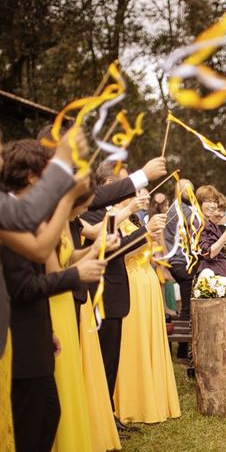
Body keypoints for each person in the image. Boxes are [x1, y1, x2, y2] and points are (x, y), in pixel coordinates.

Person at [0, 139, 109, 452]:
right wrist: (76, 275)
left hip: (35, 335)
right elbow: (24, 286)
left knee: (47, 414)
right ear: (32, 177)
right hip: (16, 342)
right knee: (34, 425)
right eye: (47, 172)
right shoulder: (7, 216)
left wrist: (46, 333)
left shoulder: (21, 214)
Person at [0, 122, 80, 452]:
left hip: (22, 338)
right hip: (9, 343)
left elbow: (39, 250)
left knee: (45, 419)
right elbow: (36, 253)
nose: (0, 160)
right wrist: (66, 183)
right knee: (25, 433)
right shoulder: (1, 209)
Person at [81, 162, 167, 433]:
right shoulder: (94, 213)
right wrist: (144, 230)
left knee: (112, 360)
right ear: (106, 185)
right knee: (104, 359)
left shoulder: (116, 214)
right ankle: (103, 419)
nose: (125, 189)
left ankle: (110, 416)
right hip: (101, 293)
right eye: (121, 182)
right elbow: (109, 249)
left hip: (118, 291)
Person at [112, 197, 181, 424]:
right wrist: (145, 230)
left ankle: (153, 397)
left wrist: (155, 232)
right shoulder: (112, 217)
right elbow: (119, 252)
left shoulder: (133, 219)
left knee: (149, 340)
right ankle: (133, 402)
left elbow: (154, 253)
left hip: (147, 280)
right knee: (133, 342)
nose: (136, 197)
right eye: (130, 193)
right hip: (131, 282)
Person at [164, 179, 198, 359]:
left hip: (182, 260)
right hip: (180, 261)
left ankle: (184, 349)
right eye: (187, 189)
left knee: (188, 305)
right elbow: (198, 224)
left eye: (192, 189)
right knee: (187, 308)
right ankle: (183, 351)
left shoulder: (184, 208)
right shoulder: (178, 209)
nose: (190, 192)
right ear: (178, 191)